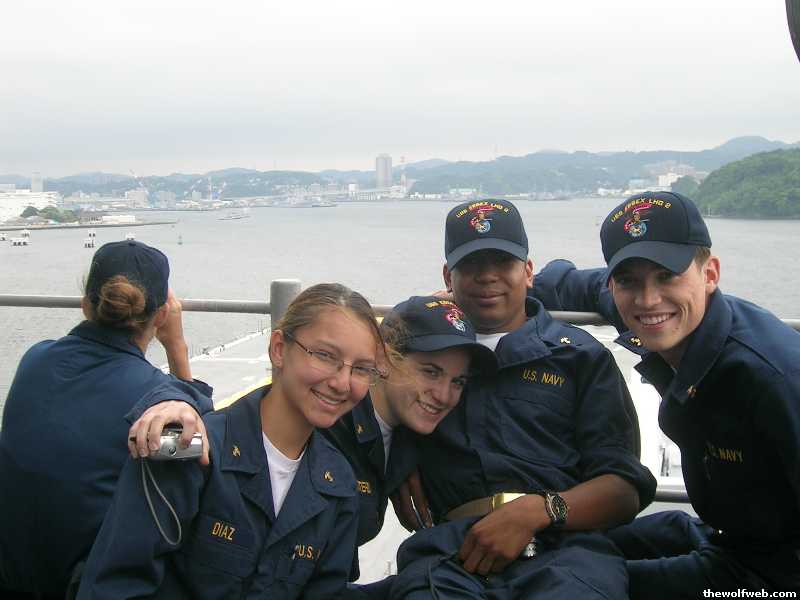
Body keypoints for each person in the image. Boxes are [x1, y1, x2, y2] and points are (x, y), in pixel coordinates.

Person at [530, 191, 800, 595]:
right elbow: (566, 282)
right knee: (562, 549)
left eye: (667, 275)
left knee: (570, 585)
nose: (648, 299)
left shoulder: (773, 379)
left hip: (772, 574)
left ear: (710, 274)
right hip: (725, 533)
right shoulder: (661, 321)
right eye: (629, 280)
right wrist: (470, 305)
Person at [389, 199, 657, 599]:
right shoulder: (415, 353)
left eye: (503, 262)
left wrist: (540, 510)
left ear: (528, 271)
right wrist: (397, 450)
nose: (487, 276)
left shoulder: (579, 356)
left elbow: (623, 490)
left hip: (567, 554)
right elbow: (362, 393)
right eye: (471, 264)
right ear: (448, 276)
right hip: (450, 555)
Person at [76, 283, 387, 599]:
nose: (342, 383)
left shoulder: (340, 486)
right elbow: (114, 583)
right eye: (325, 355)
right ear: (279, 349)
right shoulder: (186, 446)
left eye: (362, 369)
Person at [0, 240, 213, 599]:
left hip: (15, 576)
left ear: (86, 305)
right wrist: (177, 348)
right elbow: (202, 445)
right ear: (161, 316)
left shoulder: (34, 360)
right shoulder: (155, 395)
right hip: (87, 584)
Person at [323, 295, 496, 595]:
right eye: (431, 372)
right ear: (383, 359)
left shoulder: (403, 434)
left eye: (458, 382)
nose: (443, 396)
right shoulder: (330, 424)